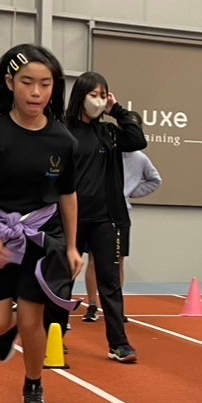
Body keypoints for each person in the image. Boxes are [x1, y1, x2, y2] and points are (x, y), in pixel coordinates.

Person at [0, 45, 82, 403]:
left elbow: (68, 194)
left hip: (41, 237)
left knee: (34, 320)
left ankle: (33, 384)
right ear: (10, 83)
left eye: (45, 84)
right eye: (28, 82)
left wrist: (73, 246)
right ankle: (8, 329)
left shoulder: (63, 141)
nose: (36, 92)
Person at [47, 72, 147, 363]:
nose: (99, 100)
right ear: (81, 95)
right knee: (62, 279)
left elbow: (137, 140)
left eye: (104, 95)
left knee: (110, 282)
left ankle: (119, 344)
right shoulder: (61, 130)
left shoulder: (109, 133)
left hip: (105, 219)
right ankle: (54, 335)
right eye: (95, 95)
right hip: (69, 218)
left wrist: (117, 111)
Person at [84, 146, 161, 320]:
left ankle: (116, 307)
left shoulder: (140, 158)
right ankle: (92, 305)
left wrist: (129, 193)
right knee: (93, 259)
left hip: (120, 212)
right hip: (98, 210)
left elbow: (155, 180)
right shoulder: (104, 152)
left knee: (118, 260)